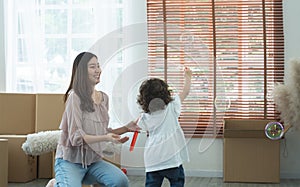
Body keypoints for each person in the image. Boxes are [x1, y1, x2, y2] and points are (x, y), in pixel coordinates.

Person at [49, 52, 140, 187]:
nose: (98, 70)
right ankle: (55, 184)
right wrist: (106, 138)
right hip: (70, 161)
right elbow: (76, 137)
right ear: (82, 72)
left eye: (98, 66)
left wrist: (126, 128)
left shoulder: (104, 98)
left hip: (93, 162)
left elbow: (103, 131)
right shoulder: (74, 97)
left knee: (120, 181)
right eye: (92, 67)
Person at [136, 67, 192, 187]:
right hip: (171, 157)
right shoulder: (172, 106)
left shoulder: (145, 116)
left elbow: (137, 126)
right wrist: (188, 76)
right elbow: (185, 92)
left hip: (152, 158)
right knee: (177, 181)